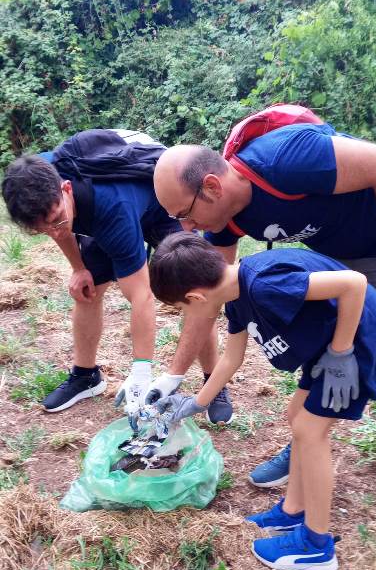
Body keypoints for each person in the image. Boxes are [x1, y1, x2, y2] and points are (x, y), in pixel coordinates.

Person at [151, 122, 376, 539]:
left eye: (183, 214)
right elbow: (206, 300)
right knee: (306, 409)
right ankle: (307, 446)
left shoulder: (284, 159)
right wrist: (175, 380)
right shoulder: (223, 223)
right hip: (341, 255)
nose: (186, 227)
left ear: (212, 187)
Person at [148, 232, 376, 570]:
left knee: (309, 430)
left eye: (181, 308)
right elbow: (232, 357)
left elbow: (353, 283)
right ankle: (293, 512)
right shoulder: (236, 293)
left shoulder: (262, 284)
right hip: (328, 348)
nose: (186, 313)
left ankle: (317, 546)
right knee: (296, 416)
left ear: (195, 297)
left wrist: (342, 352)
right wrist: (196, 403)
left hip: (358, 345)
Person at [1, 130, 233, 430]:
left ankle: (213, 383)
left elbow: (141, 296)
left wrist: (140, 373)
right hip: (100, 209)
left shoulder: (111, 210)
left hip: (157, 205)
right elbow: (56, 227)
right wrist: (78, 267)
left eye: (58, 219)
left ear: (66, 189)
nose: (55, 231)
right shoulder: (39, 180)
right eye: (42, 230)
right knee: (87, 288)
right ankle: (86, 376)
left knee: (194, 290)